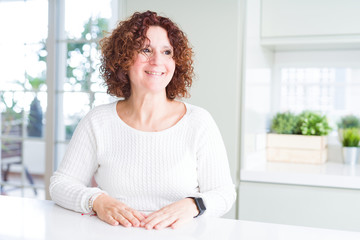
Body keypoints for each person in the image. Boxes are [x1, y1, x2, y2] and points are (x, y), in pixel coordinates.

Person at [50, 10, 236, 230]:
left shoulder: (199, 121)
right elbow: (60, 184)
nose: (158, 61)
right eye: (146, 50)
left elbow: (224, 193)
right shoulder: (98, 121)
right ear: (124, 59)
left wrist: (193, 205)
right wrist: (97, 201)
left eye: (167, 52)